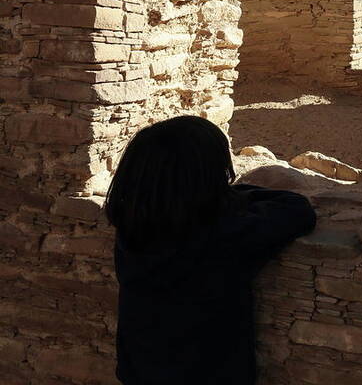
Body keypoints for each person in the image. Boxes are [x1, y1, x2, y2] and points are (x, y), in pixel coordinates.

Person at [105, 115, 317, 385]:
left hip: (140, 367)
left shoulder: (132, 224)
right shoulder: (224, 236)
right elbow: (296, 209)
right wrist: (233, 195)